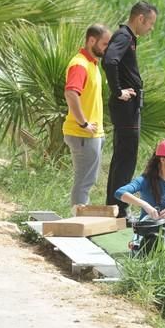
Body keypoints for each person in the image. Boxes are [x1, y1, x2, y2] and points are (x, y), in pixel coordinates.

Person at [103, 0, 158, 218]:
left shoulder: (127, 37)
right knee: (126, 158)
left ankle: (114, 206)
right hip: (126, 108)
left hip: (129, 107)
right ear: (140, 19)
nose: (150, 29)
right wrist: (118, 91)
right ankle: (120, 209)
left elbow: (112, 62)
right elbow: (109, 61)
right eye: (150, 24)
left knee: (123, 157)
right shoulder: (124, 36)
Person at [62, 24, 111, 207]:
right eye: (105, 44)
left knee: (87, 182)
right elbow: (71, 93)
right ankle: (78, 225)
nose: (107, 48)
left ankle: (80, 222)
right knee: (83, 183)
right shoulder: (80, 64)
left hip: (92, 134)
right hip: (82, 134)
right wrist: (83, 123)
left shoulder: (92, 64)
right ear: (92, 40)